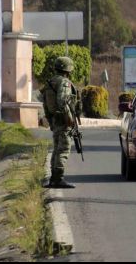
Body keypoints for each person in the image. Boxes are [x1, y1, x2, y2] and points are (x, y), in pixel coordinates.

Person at [43, 56, 78, 189]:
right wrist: (69, 119)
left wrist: (50, 120)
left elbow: (45, 104)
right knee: (63, 149)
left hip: (55, 120)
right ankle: (58, 179)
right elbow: (63, 101)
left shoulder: (50, 82)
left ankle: (53, 179)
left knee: (57, 149)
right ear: (67, 70)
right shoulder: (64, 82)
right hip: (63, 121)